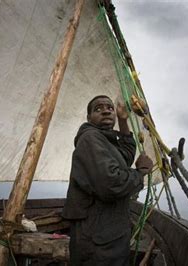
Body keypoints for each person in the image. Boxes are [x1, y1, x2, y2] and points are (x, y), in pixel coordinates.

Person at [62, 95, 153, 266]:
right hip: (97, 238)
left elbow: (125, 156)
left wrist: (123, 120)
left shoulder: (106, 141)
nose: (106, 110)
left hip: (108, 233)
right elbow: (111, 184)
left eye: (110, 108)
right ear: (89, 118)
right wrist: (140, 172)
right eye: (98, 109)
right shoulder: (90, 139)